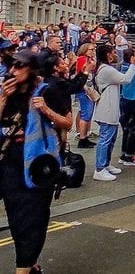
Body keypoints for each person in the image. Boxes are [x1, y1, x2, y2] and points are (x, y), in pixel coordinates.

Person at [0, 49, 72, 274]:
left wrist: (46, 110)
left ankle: (23, 267)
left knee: (34, 220)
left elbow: (67, 123)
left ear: (31, 69)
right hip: (9, 165)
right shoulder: (5, 91)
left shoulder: (47, 91)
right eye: (11, 66)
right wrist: (3, 98)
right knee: (17, 219)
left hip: (38, 168)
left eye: (19, 66)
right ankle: (30, 266)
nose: (13, 71)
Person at [91, 44, 135, 182]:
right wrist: (133, 65)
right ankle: (99, 168)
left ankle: (105, 164)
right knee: (105, 139)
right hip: (107, 109)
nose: (116, 55)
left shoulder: (104, 69)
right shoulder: (106, 70)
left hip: (110, 108)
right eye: (113, 52)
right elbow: (126, 79)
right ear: (108, 55)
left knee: (110, 139)